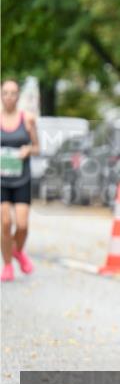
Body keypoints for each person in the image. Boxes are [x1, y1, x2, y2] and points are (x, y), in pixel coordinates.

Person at [1, 79, 40, 282]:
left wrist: (27, 150)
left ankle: (17, 251)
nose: (9, 97)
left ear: (18, 96)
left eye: (13, 93)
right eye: (5, 92)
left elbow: (37, 147)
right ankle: (7, 265)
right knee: (5, 223)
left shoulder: (27, 119)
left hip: (21, 179)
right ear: (1, 95)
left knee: (22, 225)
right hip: (1, 181)